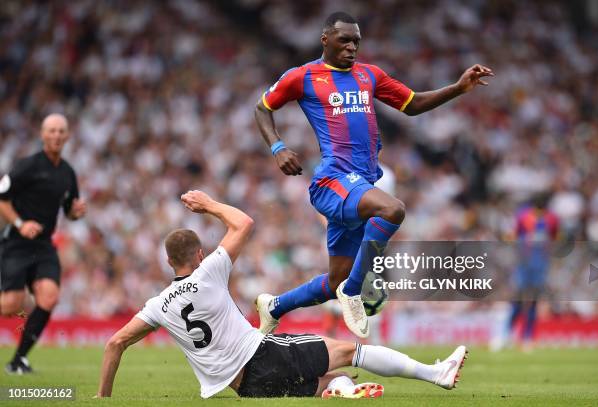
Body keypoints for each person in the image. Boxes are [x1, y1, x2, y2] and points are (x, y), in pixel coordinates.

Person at [254, 11, 494, 337]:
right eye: (344, 40)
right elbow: (263, 107)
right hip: (332, 180)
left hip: (359, 184)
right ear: (325, 39)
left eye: (356, 41)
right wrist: (278, 147)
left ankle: (274, 307)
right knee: (392, 209)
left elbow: (412, 104)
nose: (352, 47)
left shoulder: (369, 75)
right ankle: (354, 291)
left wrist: (457, 88)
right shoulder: (304, 76)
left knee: (334, 281)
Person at [97, 190, 468, 399]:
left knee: (331, 377)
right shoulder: (209, 271)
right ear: (199, 254)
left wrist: (103, 397)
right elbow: (243, 222)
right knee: (351, 351)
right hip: (261, 354)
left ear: (166, 261)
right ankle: (437, 373)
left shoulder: (157, 305)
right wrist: (208, 205)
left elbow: (115, 343)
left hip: (245, 387)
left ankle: (335, 390)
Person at [0, 113, 87, 374]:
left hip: (44, 245)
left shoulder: (68, 173)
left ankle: (18, 361)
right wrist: (20, 224)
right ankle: (18, 360)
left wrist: (75, 213)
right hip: (16, 243)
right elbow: (2, 197)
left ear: (68, 136)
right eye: (52, 131)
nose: (57, 135)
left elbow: (69, 210)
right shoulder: (27, 165)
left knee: (49, 297)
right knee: (10, 307)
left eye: (61, 131)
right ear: (42, 134)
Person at [491, 195, 559, 352]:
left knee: (533, 301)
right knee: (519, 300)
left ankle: (526, 337)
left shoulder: (551, 219)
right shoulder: (524, 216)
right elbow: (514, 235)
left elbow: (553, 238)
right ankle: (506, 335)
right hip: (524, 265)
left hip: (540, 265)